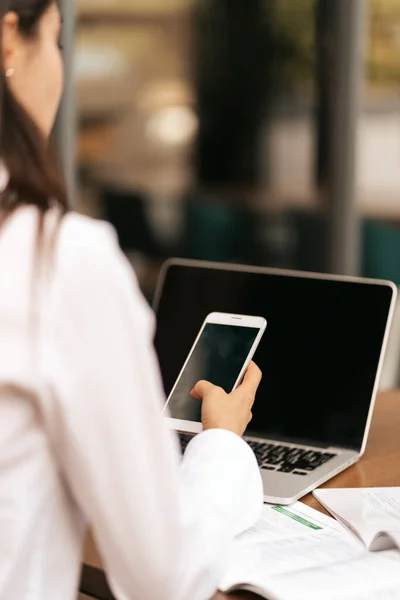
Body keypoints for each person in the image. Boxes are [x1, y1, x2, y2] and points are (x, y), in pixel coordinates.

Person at [0, 2, 264, 599]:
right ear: (10, 41)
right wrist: (221, 447)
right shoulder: (56, 261)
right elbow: (163, 578)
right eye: (59, 43)